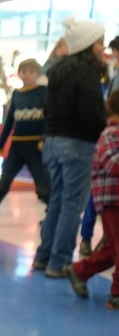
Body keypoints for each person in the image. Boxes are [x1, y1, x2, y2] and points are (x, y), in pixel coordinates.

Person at [34, 17, 107, 277]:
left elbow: (48, 109)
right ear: (88, 45)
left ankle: (43, 257)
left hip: (53, 141)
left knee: (57, 201)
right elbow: (89, 112)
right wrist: (106, 129)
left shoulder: (57, 72)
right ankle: (59, 262)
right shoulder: (87, 72)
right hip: (77, 144)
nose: (103, 47)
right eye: (100, 42)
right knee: (72, 205)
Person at [0, 58, 50, 224]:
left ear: (37, 74)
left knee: (41, 183)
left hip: (35, 145)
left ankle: (52, 212)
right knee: (5, 179)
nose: (27, 75)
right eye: (24, 71)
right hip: (17, 145)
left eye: (31, 72)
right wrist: (1, 143)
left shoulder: (43, 92)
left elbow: (48, 117)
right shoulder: (16, 94)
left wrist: (44, 138)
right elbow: (9, 121)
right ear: (19, 73)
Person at [64, 88, 119, 309]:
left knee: (111, 249)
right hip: (112, 201)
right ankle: (116, 294)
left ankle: (79, 271)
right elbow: (113, 164)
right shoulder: (110, 134)